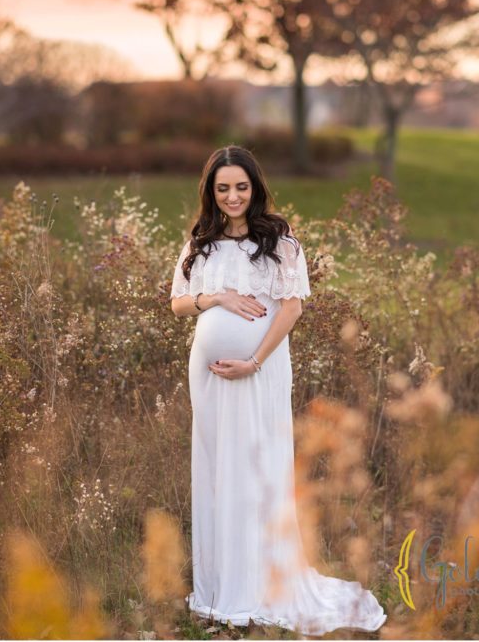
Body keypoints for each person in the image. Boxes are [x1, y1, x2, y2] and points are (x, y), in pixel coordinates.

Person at [169, 145, 387, 636]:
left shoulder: (279, 240)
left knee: (255, 467)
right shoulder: (200, 240)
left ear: (255, 187)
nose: (232, 196)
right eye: (222, 188)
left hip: (259, 370)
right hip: (207, 378)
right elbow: (178, 303)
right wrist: (217, 297)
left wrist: (252, 360)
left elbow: (291, 309)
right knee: (217, 468)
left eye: (241, 187)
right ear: (210, 190)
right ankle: (220, 586)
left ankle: (260, 586)